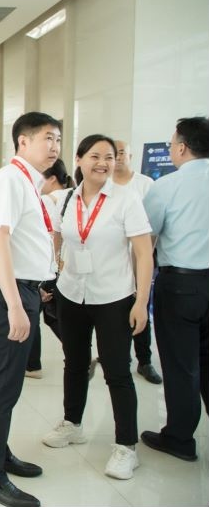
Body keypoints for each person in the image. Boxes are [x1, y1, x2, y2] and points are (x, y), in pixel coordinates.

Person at [41, 134, 153, 481]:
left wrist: (141, 301)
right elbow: (58, 234)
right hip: (72, 293)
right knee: (74, 363)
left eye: (109, 157)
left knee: (117, 371)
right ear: (79, 160)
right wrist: (57, 266)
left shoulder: (126, 199)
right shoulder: (67, 198)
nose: (103, 163)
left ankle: (126, 447)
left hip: (113, 297)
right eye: (95, 156)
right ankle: (72, 423)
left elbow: (144, 252)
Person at [0, 111, 61, 507]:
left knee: (9, 386)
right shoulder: (9, 179)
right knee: (2, 385)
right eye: (47, 138)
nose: (54, 146)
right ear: (23, 141)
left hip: (24, 289)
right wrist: (14, 304)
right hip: (8, 292)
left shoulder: (28, 181)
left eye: (57, 139)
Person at [141, 116, 209, 463]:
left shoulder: (167, 186)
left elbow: (147, 236)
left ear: (182, 148)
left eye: (171, 144)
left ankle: (180, 438)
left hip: (181, 285)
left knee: (182, 365)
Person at [110, 139, 162, 385]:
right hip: (112, 264)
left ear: (130, 156)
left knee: (140, 309)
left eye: (122, 153)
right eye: (114, 154)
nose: (118, 157)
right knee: (113, 315)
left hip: (140, 261)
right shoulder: (104, 185)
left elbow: (154, 227)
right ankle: (114, 356)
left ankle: (145, 360)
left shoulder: (146, 185)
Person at [25, 158, 73, 379]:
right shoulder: (74, 195)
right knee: (54, 315)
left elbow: (50, 237)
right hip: (71, 269)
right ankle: (78, 352)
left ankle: (32, 365)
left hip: (50, 267)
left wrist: (46, 269)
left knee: (33, 313)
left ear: (52, 178)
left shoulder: (45, 199)